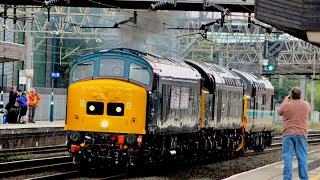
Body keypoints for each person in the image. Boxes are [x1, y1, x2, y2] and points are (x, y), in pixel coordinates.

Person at [277, 87, 310, 180]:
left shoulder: (286, 105)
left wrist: (284, 101)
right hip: (301, 133)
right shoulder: (306, 105)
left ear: (290, 95)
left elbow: (279, 112)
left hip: (288, 133)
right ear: (300, 95)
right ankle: (303, 178)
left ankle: (287, 178)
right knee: (302, 157)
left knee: (287, 157)